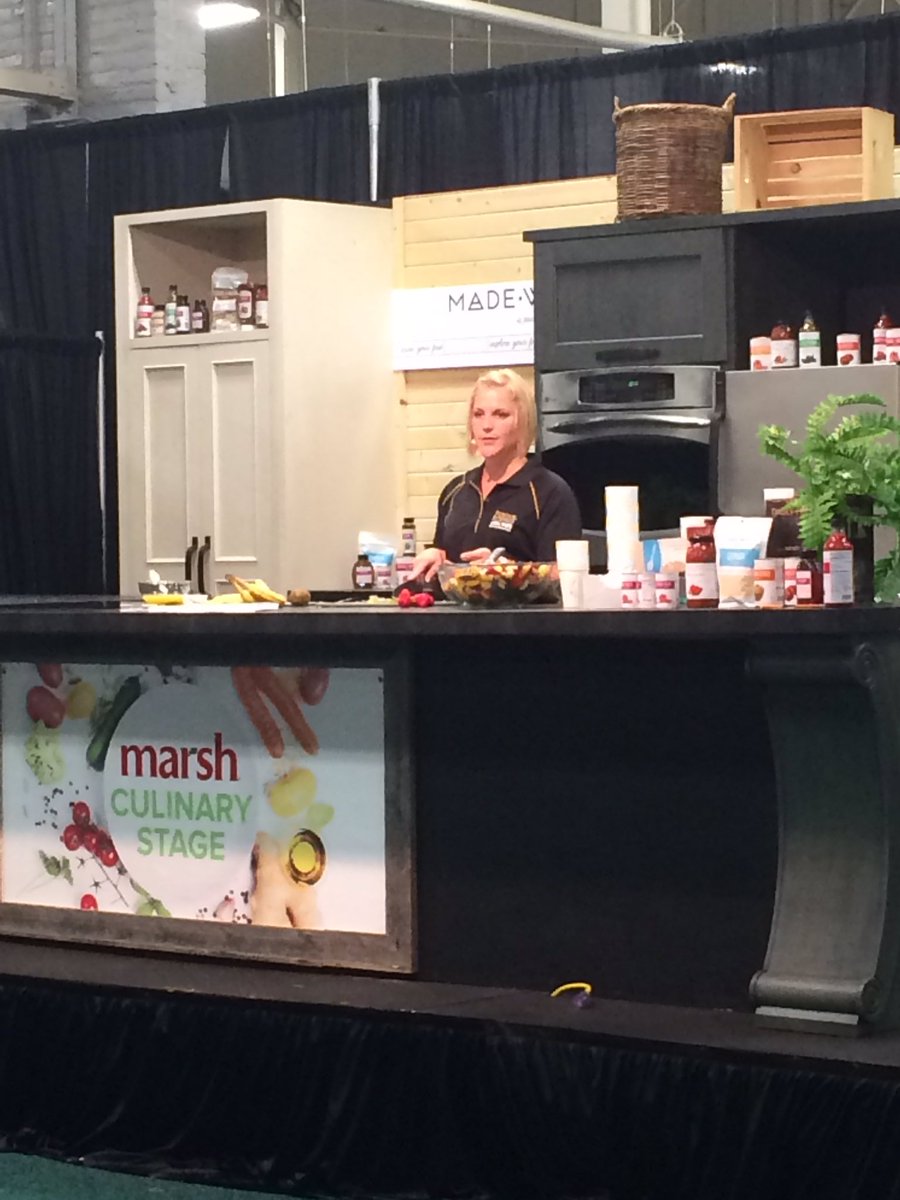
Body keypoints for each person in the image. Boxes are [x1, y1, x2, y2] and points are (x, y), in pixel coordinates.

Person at [409, 368, 581, 581]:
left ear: (522, 421)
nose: (487, 426)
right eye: (478, 414)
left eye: (501, 415)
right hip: (456, 612)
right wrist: (436, 556)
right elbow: (448, 560)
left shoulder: (549, 491)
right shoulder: (456, 490)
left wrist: (508, 571)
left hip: (519, 613)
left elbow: (566, 575)